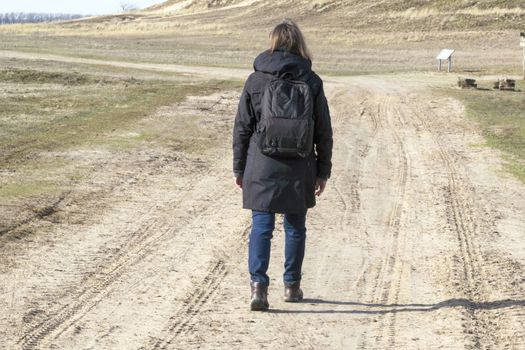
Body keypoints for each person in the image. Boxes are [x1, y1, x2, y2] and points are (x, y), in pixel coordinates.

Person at [232, 19, 333, 311]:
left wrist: (239, 168)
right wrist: (323, 170)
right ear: (299, 43)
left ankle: (258, 289)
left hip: (261, 163)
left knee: (261, 225)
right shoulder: (312, 81)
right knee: (295, 227)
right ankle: (291, 287)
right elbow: (323, 131)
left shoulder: (256, 80)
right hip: (300, 165)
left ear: (273, 42)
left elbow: (242, 128)